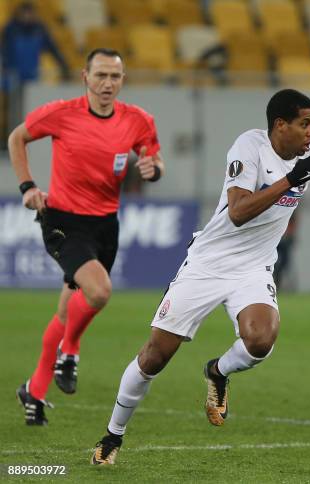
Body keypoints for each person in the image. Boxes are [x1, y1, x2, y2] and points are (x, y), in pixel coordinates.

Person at [90, 89, 310, 465]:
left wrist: (292, 186)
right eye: (305, 124)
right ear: (281, 125)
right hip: (208, 263)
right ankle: (112, 435)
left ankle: (217, 371)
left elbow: (281, 209)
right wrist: (290, 180)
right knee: (154, 357)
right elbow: (237, 212)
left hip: (254, 266)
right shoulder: (249, 146)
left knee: (261, 340)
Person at [9, 48, 164, 426]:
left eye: (115, 76)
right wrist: (28, 186)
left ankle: (35, 390)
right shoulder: (61, 113)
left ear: (122, 80)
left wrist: (152, 169)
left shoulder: (138, 121)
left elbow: (154, 160)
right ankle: (71, 352)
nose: (107, 83)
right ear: (85, 77)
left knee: (67, 310)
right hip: (62, 219)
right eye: (100, 76)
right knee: (98, 291)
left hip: (105, 225)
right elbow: (17, 137)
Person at [1, 1, 70, 144]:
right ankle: (10, 142)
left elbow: (53, 48)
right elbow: (3, 51)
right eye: (25, 14)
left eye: (30, 14)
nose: (28, 17)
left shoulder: (40, 29)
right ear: (20, 14)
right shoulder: (10, 29)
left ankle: (25, 142)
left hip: (32, 79)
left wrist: (64, 66)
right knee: (14, 111)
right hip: (14, 78)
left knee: (29, 112)